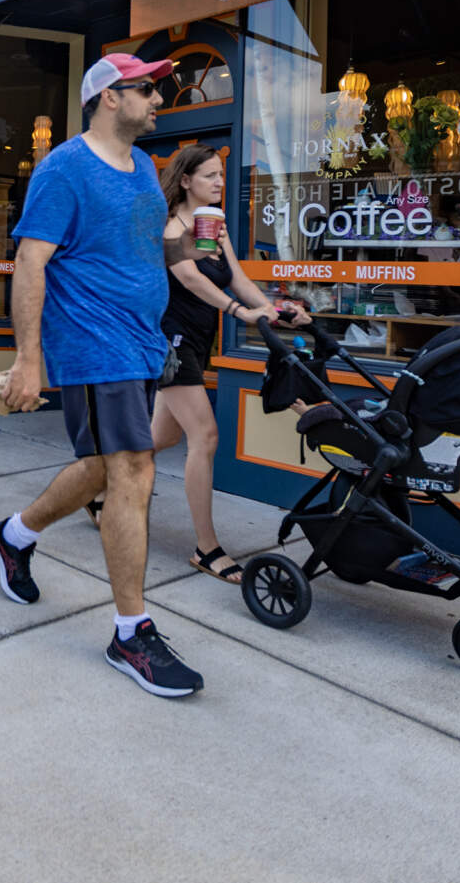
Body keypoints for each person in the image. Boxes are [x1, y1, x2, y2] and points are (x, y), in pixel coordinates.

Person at [0, 52, 206, 698]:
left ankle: (12, 535)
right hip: (92, 340)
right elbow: (30, 261)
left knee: (104, 467)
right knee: (133, 469)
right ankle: (130, 632)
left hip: (142, 344)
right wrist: (30, 357)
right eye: (147, 89)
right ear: (110, 97)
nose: (158, 98)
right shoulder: (63, 169)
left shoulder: (142, 167)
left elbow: (146, 247)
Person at [81, 145, 309, 583]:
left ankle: (99, 489)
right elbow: (190, 277)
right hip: (169, 341)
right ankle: (207, 548)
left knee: (158, 436)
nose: (220, 183)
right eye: (209, 176)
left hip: (198, 342)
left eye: (221, 175)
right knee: (204, 436)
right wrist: (238, 312)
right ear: (185, 181)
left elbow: (238, 279)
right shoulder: (168, 227)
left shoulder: (215, 228)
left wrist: (274, 310)